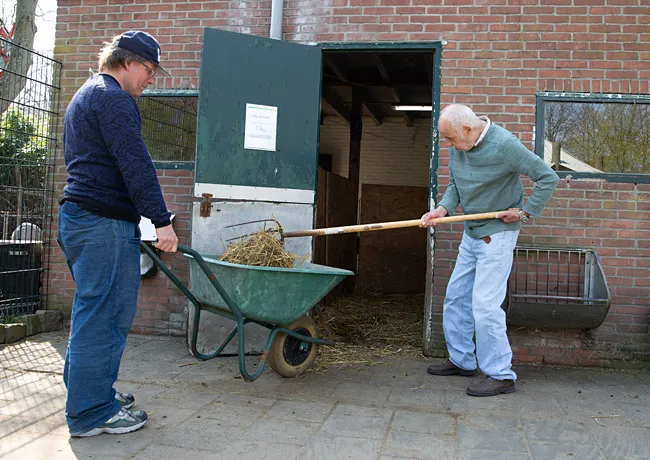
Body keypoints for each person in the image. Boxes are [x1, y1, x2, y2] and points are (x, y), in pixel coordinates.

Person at [57, 30, 178, 437]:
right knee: (106, 317)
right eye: (148, 69)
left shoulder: (86, 94)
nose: (151, 79)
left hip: (81, 220)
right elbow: (136, 165)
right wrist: (161, 221)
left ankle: (88, 394)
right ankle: (92, 413)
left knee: (90, 313)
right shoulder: (113, 100)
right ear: (127, 62)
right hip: (101, 225)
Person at [422, 104, 559, 397]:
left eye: (450, 139)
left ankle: (500, 374)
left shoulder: (504, 144)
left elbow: (548, 177)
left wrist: (525, 212)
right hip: (471, 233)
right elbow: (455, 185)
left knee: (484, 305)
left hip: (497, 235)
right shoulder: (459, 144)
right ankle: (462, 360)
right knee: (456, 297)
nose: (448, 145)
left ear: (468, 130)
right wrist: (442, 209)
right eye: (445, 140)